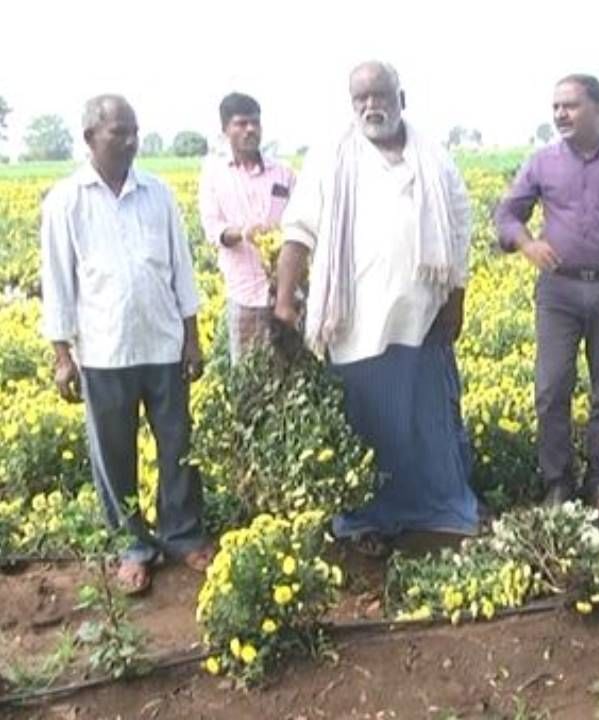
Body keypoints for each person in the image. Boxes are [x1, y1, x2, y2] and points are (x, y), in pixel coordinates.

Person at [275, 61, 478, 556]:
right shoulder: (331, 158)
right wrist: (283, 302)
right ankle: (367, 519)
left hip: (423, 317)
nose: (371, 106)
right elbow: (298, 232)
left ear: (400, 98)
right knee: (366, 421)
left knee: (425, 420)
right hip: (354, 321)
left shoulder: (434, 157)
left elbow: (458, 231)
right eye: (360, 98)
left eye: (380, 95)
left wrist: (456, 300)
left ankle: (433, 512)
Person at [40, 94, 210, 593]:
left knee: (178, 446)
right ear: (90, 137)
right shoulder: (66, 200)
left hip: (163, 341)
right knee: (114, 454)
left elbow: (182, 267)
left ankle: (182, 533)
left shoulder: (157, 194)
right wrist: (62, 356)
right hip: (105, 350)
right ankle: (134, 545)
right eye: (119, 131)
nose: (131, 139)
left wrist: (192, 337)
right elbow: (58, 281)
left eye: (134, 130)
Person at [494, 73, 599, 520]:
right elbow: (507, 213)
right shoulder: (542, 162)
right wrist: (526, 244)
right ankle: (558, 483)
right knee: (551, 388)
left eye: (570, 106)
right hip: (559, 291)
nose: (560, 114)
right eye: (556, 107)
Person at [198, 92, 296, 362]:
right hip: (245, 297)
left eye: (255, 123)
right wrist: (242, 233)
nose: (250, 130)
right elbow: (212, 229)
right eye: (241, 124)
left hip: (287, 296)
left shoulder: (283, 173)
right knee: (249, 384)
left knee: (293, 375)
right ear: (225, 130)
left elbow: (302, 225)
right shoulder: (214, 175)